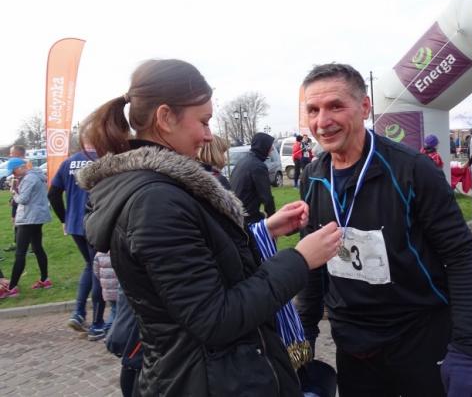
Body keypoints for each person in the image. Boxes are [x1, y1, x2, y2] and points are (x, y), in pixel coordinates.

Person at [76, 58, 342, 396]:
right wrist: (300, 260)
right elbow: (216, 318)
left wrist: (264, 230)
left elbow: (209, 262)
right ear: (165, 118)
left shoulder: (167, 190)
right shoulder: (155, 202)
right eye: (203, 121)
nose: (208, 134)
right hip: (206, 381)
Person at [297, 63, 472, 397]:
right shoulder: (312, 177)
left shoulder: (412, 170)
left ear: (365, 107)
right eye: (313, 110)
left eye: (335, 106)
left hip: (420, 339)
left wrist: (467, 348)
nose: (322, 121)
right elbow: (312, 266)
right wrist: (305, 333)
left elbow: (461, 256)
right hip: (354, 346)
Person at [48, 147, 107, 339]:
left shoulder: (68, 162)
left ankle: (78, 313)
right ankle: (97, 323)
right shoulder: (105, 159)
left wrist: (64, 219)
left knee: (90, 265)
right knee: (98, 269)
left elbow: (53, 194)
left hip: (75, 223)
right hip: (97, 222)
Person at [0, 158, 52, 299]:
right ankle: (45, 280)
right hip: (37, 217)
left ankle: (12, 288)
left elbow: (23, 199)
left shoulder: (29, 178)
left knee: (20, 253)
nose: (13, 174)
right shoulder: (36, 175)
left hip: (28, 219)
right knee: (37, 248)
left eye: (13, 171)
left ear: (20, 167)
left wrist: (14, 192)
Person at [230, 132, 277, 224]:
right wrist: (273, 219)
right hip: (247, 218)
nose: (272, 149)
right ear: (263, 146)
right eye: (270, 146)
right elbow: (266, 197)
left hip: (236, 214)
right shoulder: (257, 166)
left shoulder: (243, 161)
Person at [4, 145, 27, 253]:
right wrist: (12, 197)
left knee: (25, 223)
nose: (10, 155)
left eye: (11, 153)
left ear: (17, 153)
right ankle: (17, 242)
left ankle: (30, 244)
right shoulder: (13, 165)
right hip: (16, 198)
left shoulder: (25, 166)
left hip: (23, 199)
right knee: (15, 221)